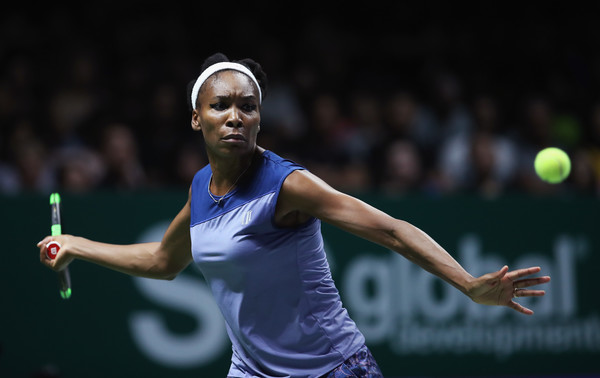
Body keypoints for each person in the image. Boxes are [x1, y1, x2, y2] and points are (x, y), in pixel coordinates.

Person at [38, 53, 551, 378]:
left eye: (248, 106)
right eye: (221, 106)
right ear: (197, 117)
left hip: (331, 368)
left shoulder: (288, 185)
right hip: (252, 371)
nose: (236, 116)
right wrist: (77, 246)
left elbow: (391, 231)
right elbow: (162, 261)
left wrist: (466, 284)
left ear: (260, 117)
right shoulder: (201, 188)